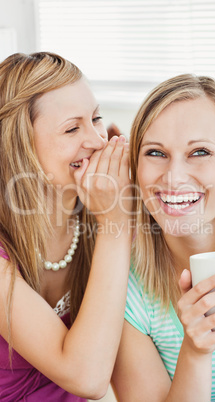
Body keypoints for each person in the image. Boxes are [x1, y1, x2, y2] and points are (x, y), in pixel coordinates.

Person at [112, 74, 215, 401]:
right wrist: (195, 352)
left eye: (199, 152)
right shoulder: (123, 289)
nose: (174, 178)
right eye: (155, 153)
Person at [0, 52, 132, 401]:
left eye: (96, 118)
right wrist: (116, 224)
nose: (97, 140)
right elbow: (87, 378)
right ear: (20, 147)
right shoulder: (110, 220)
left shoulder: (99, 212)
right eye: (72, 128)